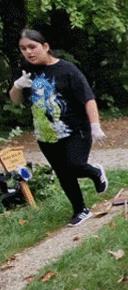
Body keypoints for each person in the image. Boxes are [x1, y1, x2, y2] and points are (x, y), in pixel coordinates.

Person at [8, 29, 108, 227]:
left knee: (74, 165)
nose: (28, 52)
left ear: (45, 47)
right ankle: (80, 210)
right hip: (45, 133)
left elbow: (88, 98)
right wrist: (18, 86)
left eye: (32, 47)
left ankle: (95, 172)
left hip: (75, 130)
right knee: (62, 173)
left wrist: (95, 126)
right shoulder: (26, 70)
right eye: (23, 48)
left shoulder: (67, 70)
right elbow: (16, 101)